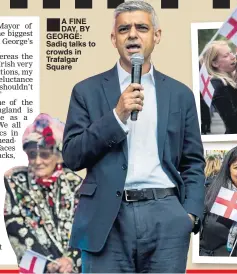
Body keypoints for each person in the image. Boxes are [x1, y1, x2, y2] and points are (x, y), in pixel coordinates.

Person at [62, 1, 205, 273]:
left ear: (156, 36)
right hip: (106, 218)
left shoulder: (180, 94)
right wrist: (116, 116)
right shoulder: (86, 91)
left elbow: (193, 162)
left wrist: (188, 215)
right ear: (113, 39)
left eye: (142, 27)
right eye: (124, 28)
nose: (132, 34)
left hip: (166, 216)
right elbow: (72, 156)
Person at [4, 114, 82, 273]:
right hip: (37, 269)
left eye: (45, 154)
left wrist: (70, 260)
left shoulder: (76, 184)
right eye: (32, 154)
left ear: (58, 156)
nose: (38, 161)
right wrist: (48, 264)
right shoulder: (16, 182)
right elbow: (15, 230)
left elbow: (87, 229)